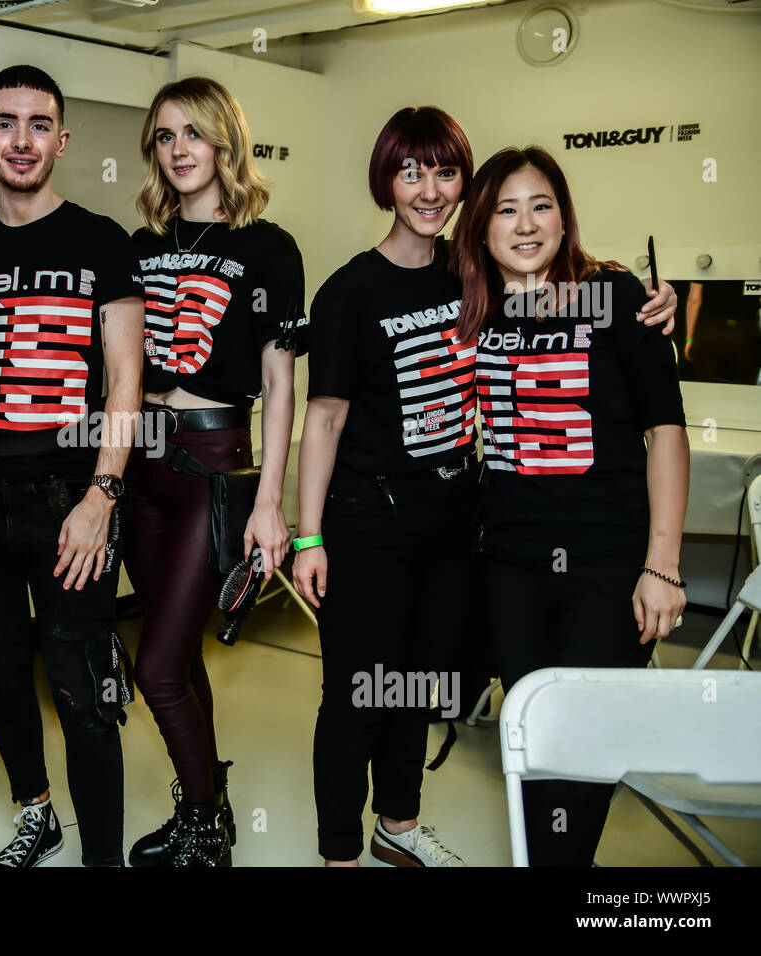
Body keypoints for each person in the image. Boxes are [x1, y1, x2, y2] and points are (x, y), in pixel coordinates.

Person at [292, 108, 678, 867]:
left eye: (446, 174)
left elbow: (652, 409)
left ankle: (405, 829)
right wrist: (307, 534)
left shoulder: (484, 276)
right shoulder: (370, 292)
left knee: (427, 687)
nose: (429, 190)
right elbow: (324, 416)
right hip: (389, 526)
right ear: (386, 181)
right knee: (367, 693)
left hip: (478, 531)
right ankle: (342, 853)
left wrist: (650, 300)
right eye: (411, 173)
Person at [0, 65, 144, 868]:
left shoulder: (102, 241)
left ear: (62, 139)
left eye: (39, 123)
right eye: (6, 123)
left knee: (84, 686)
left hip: (71, 494)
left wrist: (102, 495)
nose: (23, 139)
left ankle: (103, 859)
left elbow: (125, 380)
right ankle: (37, 814)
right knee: (3, 671)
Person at [450, 145, 688, 866]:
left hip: (609, 564)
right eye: (506, 210)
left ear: (564, 217)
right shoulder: (472, 308)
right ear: (481, 226)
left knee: (587, 743)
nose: (525, 225)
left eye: (541, 206)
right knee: (530, 738)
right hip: (510, 564)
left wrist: (663, 567)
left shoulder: (615, 299)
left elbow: (667, 432)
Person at [123, 76, 305, 868]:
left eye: (193, 133)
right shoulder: (139, 247)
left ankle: (205, 826)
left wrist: (270, 503)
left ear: (225, 141)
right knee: (180, 653)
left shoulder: (267, 246)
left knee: (157, 667)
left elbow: (281, 386)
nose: (179, 150)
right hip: (140, 463)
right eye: (165, 137)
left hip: (213, 464)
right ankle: (207, 800)